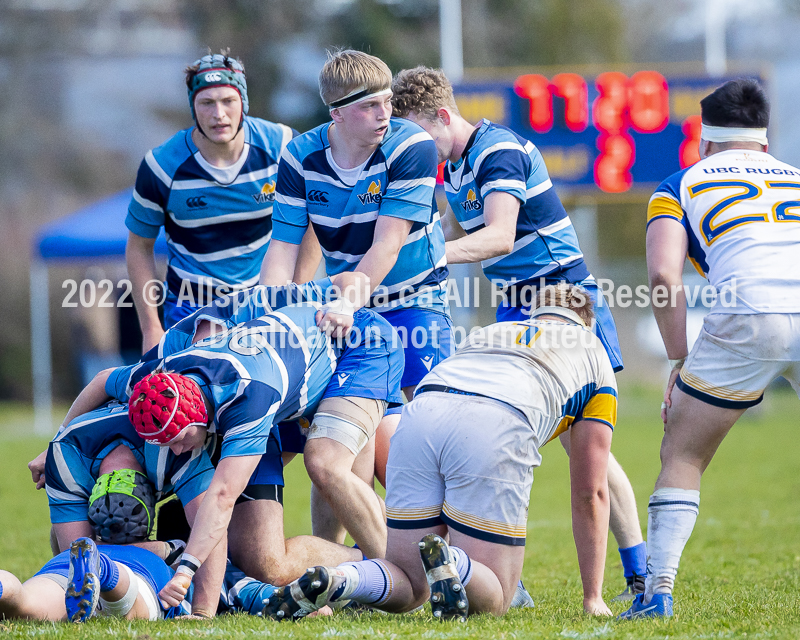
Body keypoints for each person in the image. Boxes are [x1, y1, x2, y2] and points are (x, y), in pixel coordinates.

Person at [390, 65, 646, 598]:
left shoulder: (497, 150)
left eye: (414, 132)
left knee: (586, 447)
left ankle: (639, 573)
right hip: (515, 310)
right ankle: (492, 571)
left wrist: (425, 258)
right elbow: (458, 235)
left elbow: (501, 237)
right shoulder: (452, 168)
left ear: (442, 116)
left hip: (564, 301)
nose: (410, 145)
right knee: (496, 435)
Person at [263, 284, 616, 620]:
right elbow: (591, 492)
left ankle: (341, 579)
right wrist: (593, 596)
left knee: (409, 579)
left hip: (422, 412)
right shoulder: (592, 350)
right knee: (497, 595)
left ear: (535, 314)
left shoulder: (493, 331)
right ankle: (453, 563)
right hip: (496, 422)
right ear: (587, 323)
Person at [61, 301, 402, 611]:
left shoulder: (245, 400)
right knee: (266, 563)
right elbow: (104, 380)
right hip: (286, 383)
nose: (174, 452)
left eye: (178, 441)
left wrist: (185, 572)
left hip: (358, 348)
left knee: (324, 462)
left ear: (198, 417)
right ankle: (359, 575)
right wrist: (56, 442)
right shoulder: (159, 373)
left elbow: (221, 496)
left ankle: (404, 576)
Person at [620, 78, 800, 618]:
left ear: (704, 143)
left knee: (682, 453)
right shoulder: (795, 179)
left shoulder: (680, 183)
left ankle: (659, 595)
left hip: (749, 314)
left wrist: (678, 358)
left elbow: (661, 274)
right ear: (765, 143)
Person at [259, 49, 453, 487]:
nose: (385, 114)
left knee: (432, 427)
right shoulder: (300, 157)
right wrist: (268, 311)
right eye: (370, 106)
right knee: (328, 438)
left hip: (414, 297)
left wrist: (346, 302)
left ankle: (452, 545)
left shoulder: (411, 145)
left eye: (387, 101)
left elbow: (387, 243)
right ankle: (341, 552)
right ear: (337, 113)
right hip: (347, 302)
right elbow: (282, 249)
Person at [125, 50, 320, 351]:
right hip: (190, 309)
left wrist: (294, 292)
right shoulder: (161, 166)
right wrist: (151, 329)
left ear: (243, 102)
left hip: (263, 304)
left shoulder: (282, 146)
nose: (219, 114)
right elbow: (139, 247)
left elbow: (311, 222)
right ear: (193, 107)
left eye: (228, 101)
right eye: (207, 103)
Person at [0, 538, 189, 622]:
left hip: (70, 558)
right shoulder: (168, 559)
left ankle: (3, 586)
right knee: (134, 609)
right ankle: (104, 570)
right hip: (141, 567)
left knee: (24, 602)